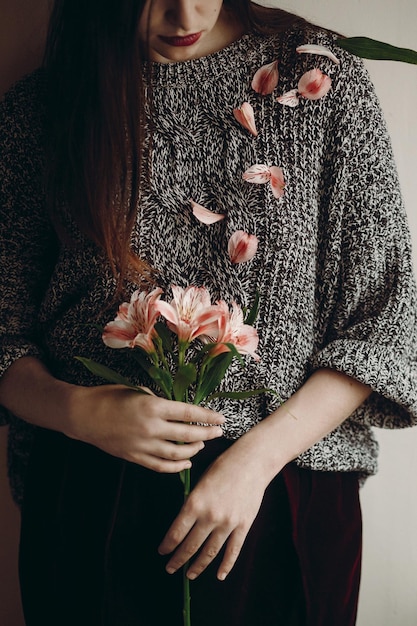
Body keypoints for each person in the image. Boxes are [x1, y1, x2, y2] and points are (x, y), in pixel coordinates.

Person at [0, 1, 416, 624]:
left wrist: (253, 461)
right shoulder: (45, 108)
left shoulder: (320, 82)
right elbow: (5, 328)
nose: (185, 12)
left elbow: (382, 322)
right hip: (91, 484)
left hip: (282, 489)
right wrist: (78, 410)